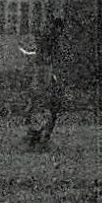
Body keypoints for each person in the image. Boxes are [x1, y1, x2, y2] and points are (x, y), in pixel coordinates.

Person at [20, 17, 65, 149]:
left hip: (43, 80)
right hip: (45, 80)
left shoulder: (44, 42)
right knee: (46, 108)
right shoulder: (49, 46)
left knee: (41, 108)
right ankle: (39, 139)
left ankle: (36, 138)